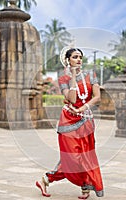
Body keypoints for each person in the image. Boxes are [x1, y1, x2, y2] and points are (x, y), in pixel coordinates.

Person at [35, 47, 104, 199]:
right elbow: (72, 99)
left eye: (80, 57)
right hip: (69, 121)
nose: (79, 59)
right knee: (72, 157)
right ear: (68, 60)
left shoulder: (90, 75)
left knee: (85, 156)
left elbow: (97, 97)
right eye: (74, 57)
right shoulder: (63, 79)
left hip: (86, 120)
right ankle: (48, 178)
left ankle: (83, 186)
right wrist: (72, 76)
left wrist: (83, 109)